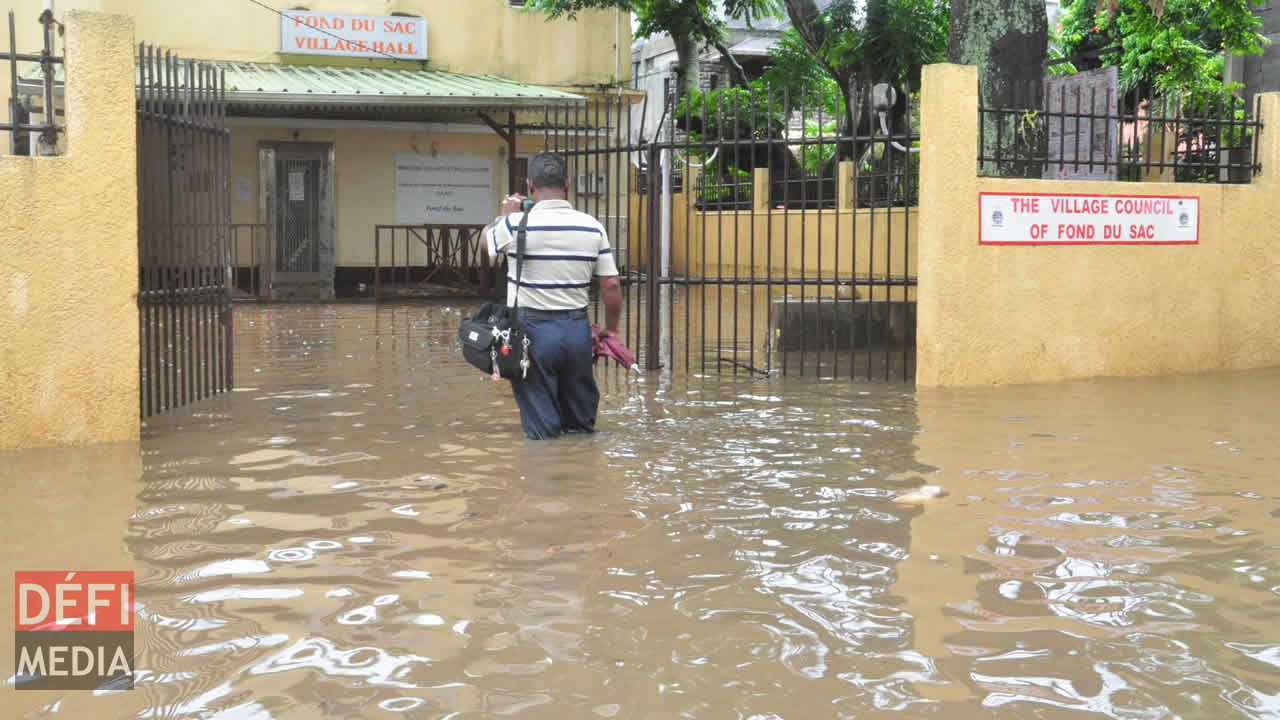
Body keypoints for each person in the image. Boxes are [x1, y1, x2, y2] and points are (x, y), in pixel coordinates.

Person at [483, 152, 624, 440]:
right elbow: (611, 285)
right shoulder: (592, 225)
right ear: (567, 184)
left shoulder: (515, 224)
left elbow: (486, 244)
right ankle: (584, 464)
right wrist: (611, 330)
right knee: (581, 427)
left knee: (542, 434)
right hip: (577, 332)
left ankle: (550, 465)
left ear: (530, 185)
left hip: (532, 334)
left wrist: (504, 216)